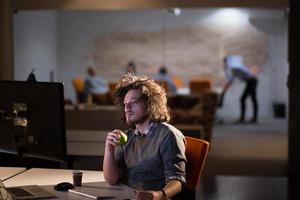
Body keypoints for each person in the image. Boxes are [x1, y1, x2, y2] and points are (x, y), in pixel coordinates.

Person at [103, 74, 186, 200]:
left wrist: (158, 195)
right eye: (125, 104)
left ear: (151, 104)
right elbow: (112, 179)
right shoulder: (127, 137)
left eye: (134, 102)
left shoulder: (168, 135)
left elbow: (177, 180)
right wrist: (109, 149)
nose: (127, 108)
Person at [220, 55, 258, 123]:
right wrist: (224, 90)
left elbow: (230, 80)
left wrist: (224, 91)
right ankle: (246, 118)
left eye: (225, 62)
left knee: (250, 99)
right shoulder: (233, 68)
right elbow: (231, 80)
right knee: (245, 99)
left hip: (252, 81)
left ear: (227, 62)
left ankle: (251, 118)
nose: (225, 64)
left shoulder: (234, 68)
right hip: (250, 81)